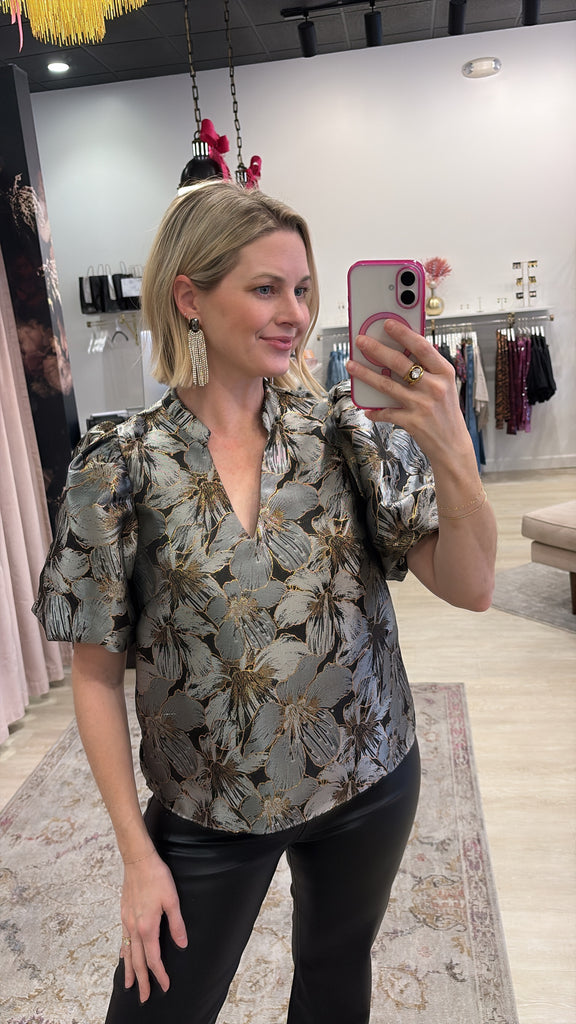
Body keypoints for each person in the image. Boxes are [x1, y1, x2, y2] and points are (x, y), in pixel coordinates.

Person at [33, 179, 496, 1024]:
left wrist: (452, 448)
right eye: (265, 288)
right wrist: (137, 857)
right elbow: (95, 677)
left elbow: (471, 586)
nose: (294, 314)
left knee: (334, 982)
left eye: (303, 290)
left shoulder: (342, 436)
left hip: (368, 777)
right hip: (208, 810)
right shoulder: (120, 466)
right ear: (191, 298)